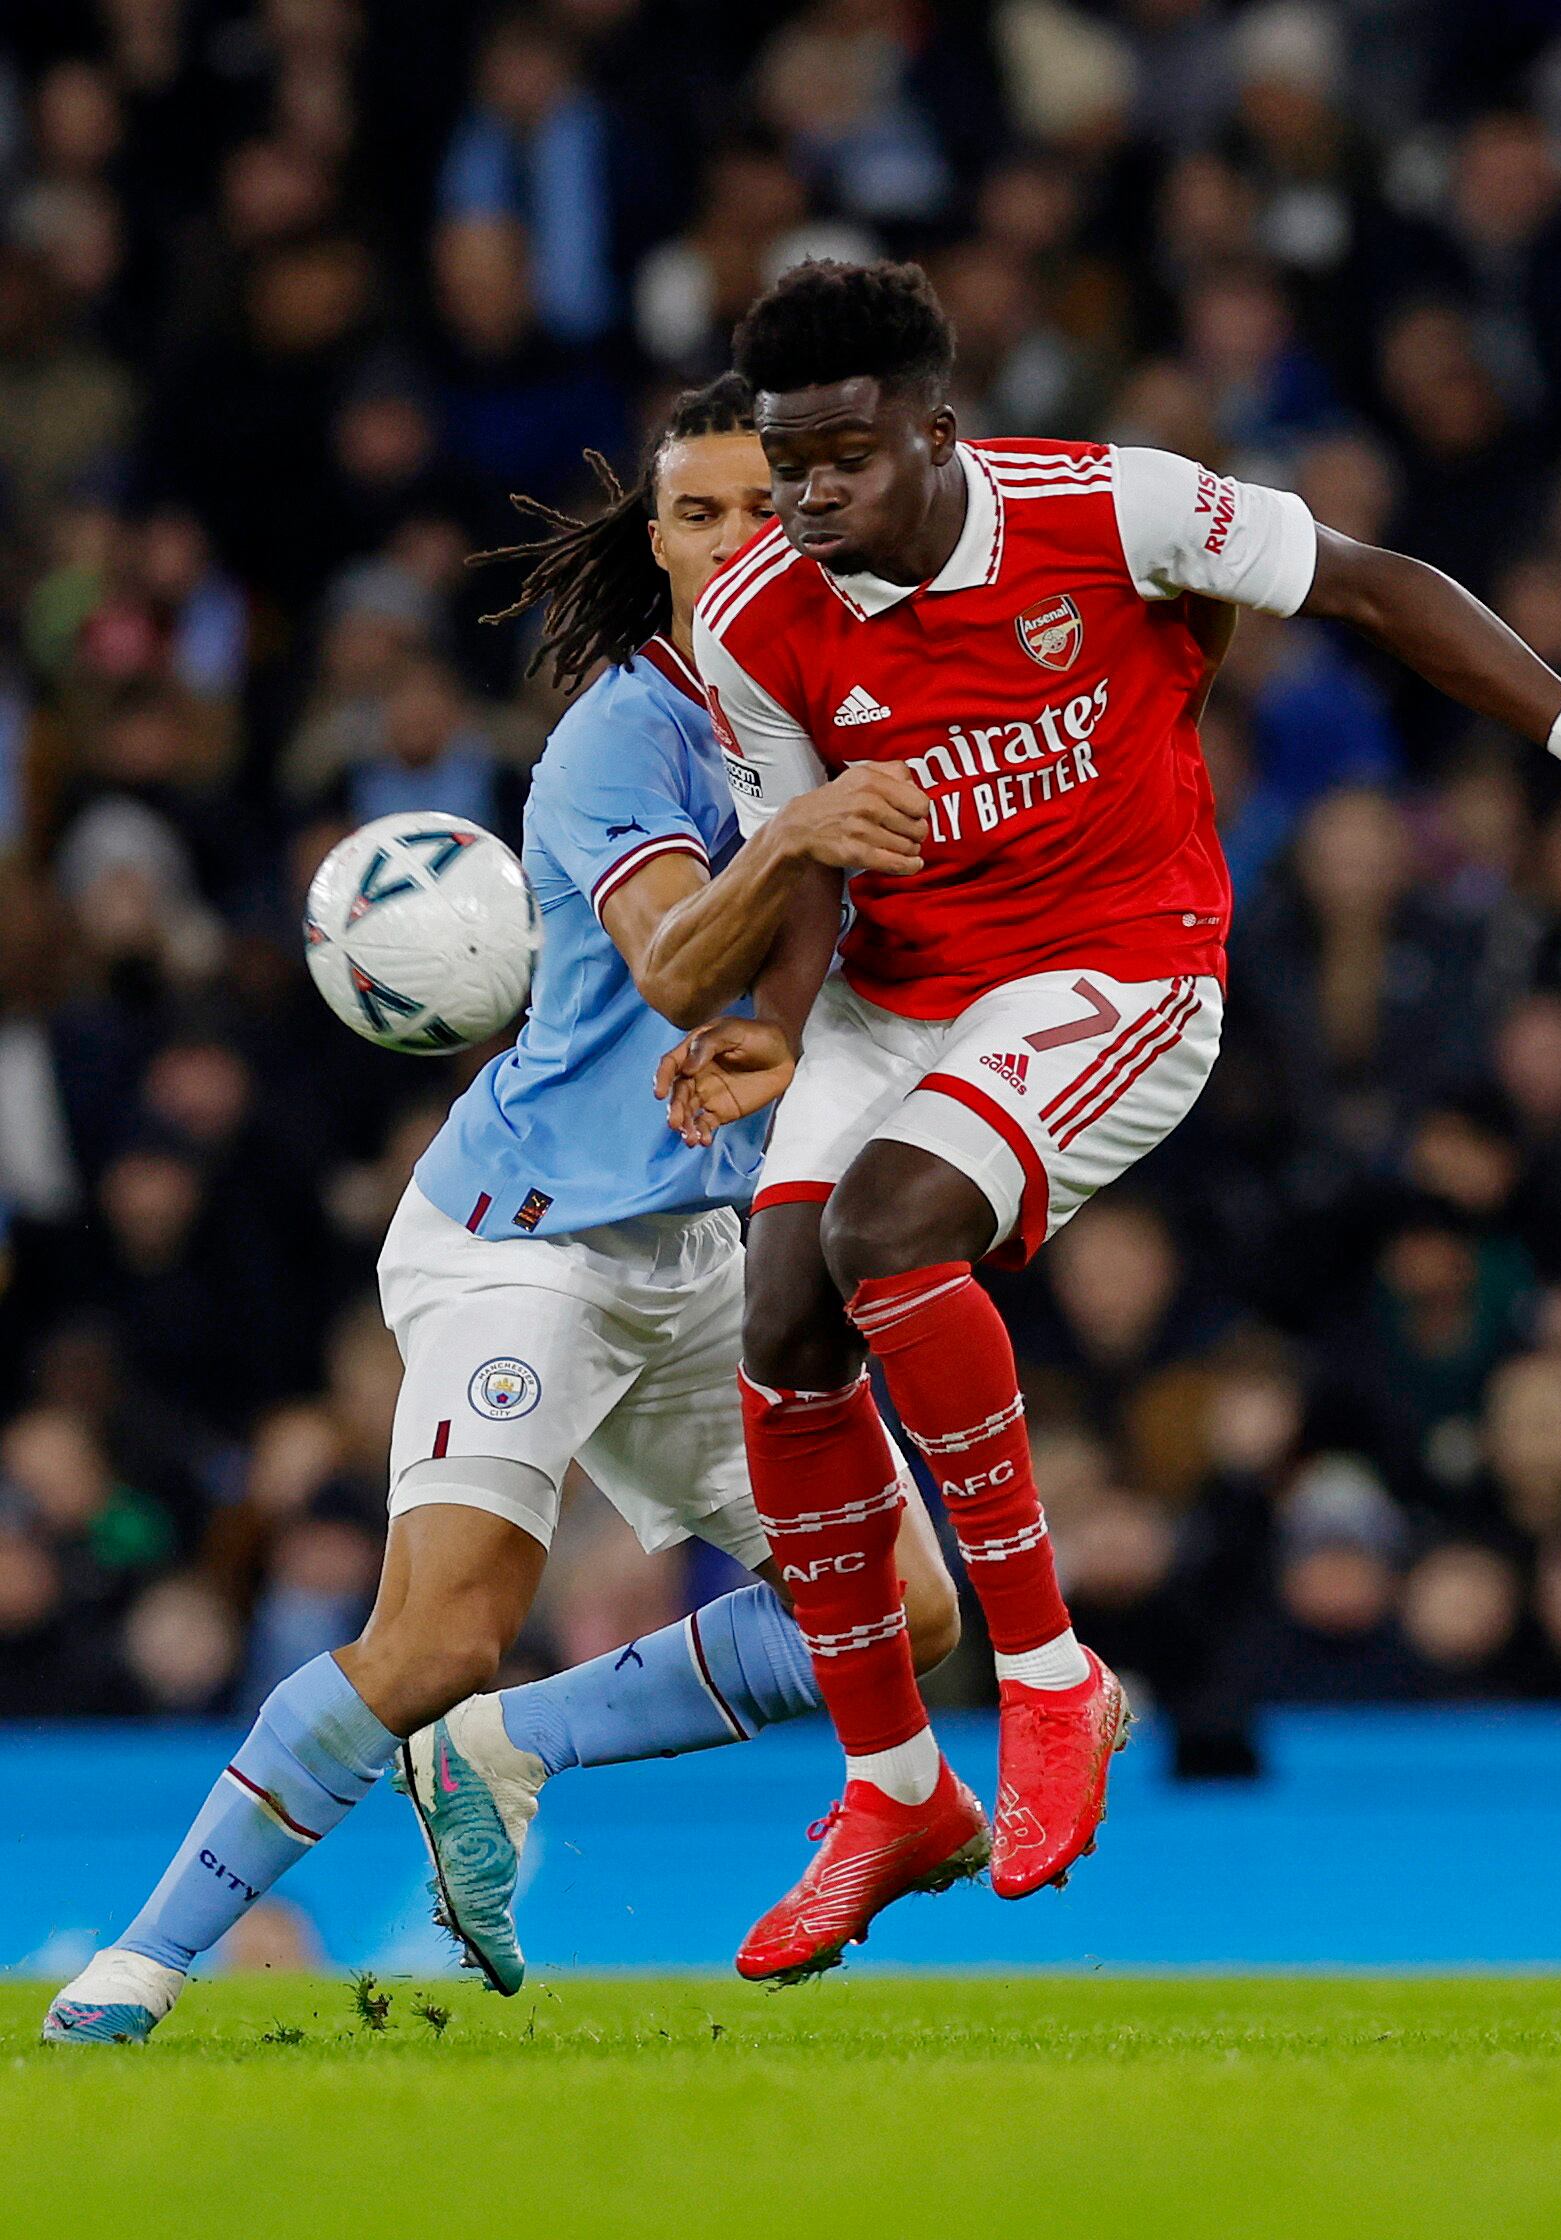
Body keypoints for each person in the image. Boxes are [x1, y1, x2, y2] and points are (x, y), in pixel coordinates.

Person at [652, 258, 1561, 1986]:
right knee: (785, 1324)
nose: (811, 494)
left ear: (934, 433)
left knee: (884, 1231)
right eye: (788, 460)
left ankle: (1050, 1680)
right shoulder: (751, 622)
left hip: (1117, 972)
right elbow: (821, 849)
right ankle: (892, 1789)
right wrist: (766, 1019)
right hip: (897, 1000)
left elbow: (1375, 586)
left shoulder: (1108, 506)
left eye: (845, 456)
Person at [42, 376, 957, 2046]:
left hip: (702, 1251)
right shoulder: (624, 730)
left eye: (771, 506)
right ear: (660, 542)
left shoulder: (858, 712)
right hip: (525, 1233)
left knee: (903, 1610)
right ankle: (138, 1964)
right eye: (701, 512)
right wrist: (814, 830)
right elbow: (679, 961)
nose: (739, 537)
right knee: (437, 1632)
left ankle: (508, 1748)